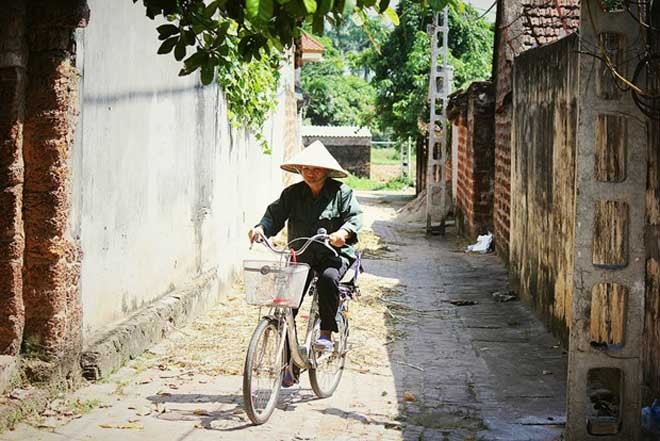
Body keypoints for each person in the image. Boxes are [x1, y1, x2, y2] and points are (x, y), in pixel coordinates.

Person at [248, 140, 362, 360]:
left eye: (316, 168)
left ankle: (326, 334)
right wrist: (261, 228)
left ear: (327, 171)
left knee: (328, 280)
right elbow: (274, 216)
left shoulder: (342, 193)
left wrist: (343, 234)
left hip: (333, 255)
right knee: (288, 303)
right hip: (301, 255)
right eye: (306, 168)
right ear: (300, 170)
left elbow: (354, 218)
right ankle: (289, 359)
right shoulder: (292, 194)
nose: (310, 173)